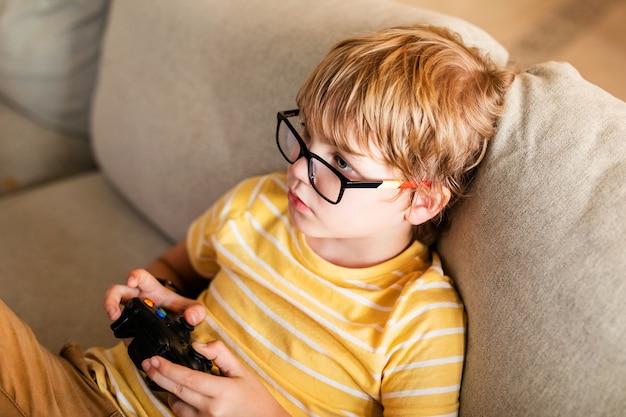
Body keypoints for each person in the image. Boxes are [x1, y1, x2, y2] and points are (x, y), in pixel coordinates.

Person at [0, 24, 516, 417]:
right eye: (306, 135)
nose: (296, 170)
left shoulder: (419, 321)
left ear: (420, 201)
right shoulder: (256, 205)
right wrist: (150, 295)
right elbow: (171, 269)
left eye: (340, 163)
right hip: (91, 394)